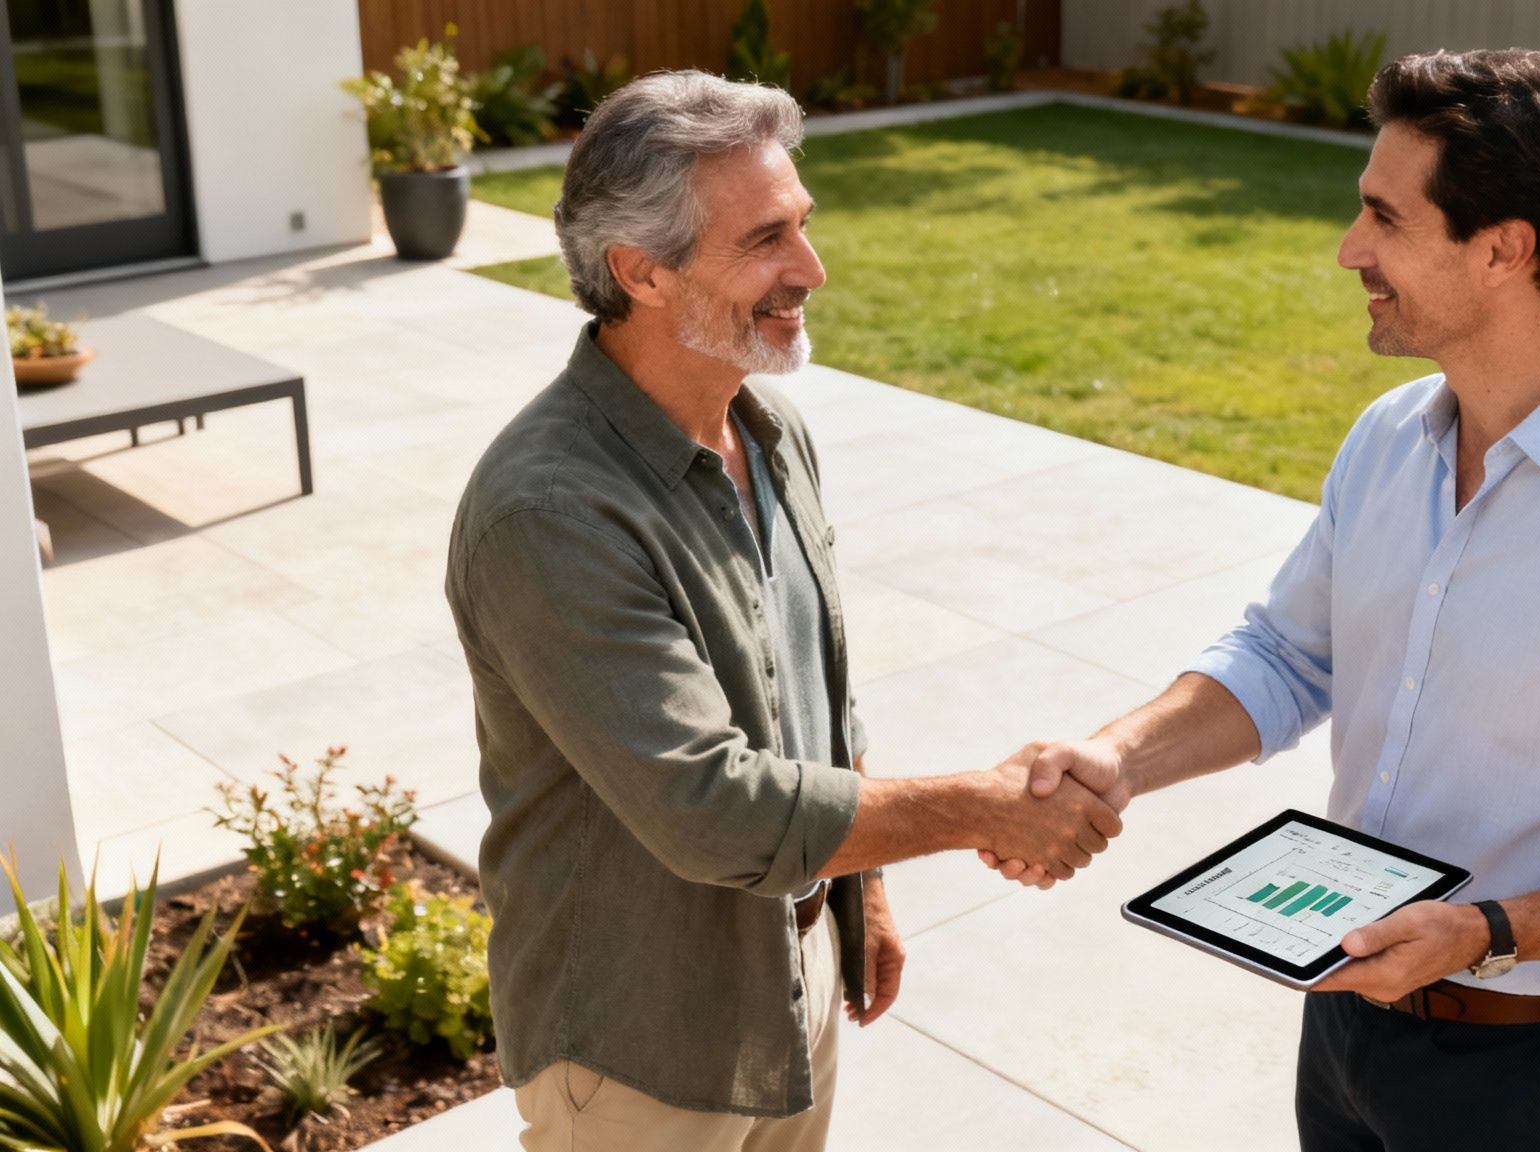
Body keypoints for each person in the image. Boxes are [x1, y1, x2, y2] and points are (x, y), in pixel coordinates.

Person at [989, 49, 1540, 1151]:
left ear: (1503, 249)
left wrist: (1481, 933)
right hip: (1349, 1020)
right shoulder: (1390, 438)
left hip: (1528, 1070)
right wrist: (1119, 757)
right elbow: (1286, 655)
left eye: (1384, 219)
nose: (1348, 250)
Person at [445, 71, 1120, 1152]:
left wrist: (867, 891)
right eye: (765, 239)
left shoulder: (767, 432)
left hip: (793, 975)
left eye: (801, 225)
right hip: (639, 1047)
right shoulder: (550, 514)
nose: (810, 269)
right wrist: (982, 806)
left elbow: (818, 688)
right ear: (640, 272)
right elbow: (710, 807)